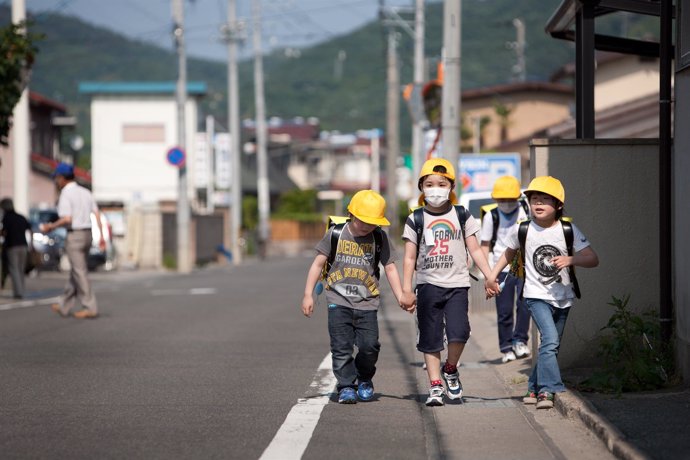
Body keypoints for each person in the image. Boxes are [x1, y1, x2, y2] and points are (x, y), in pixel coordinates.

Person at [487, 176, 599, 409]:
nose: (537, 203)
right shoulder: (523, 229)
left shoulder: (568, 230)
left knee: (552, 344)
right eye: (533, 199)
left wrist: (571, 259)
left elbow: (593, 259)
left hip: (563, 296)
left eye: (544, 199)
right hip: (535, 295)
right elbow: (507, 254)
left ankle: (532, 387)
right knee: (549, 339)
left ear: (558, 205)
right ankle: (549, 390)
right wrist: (491, 276)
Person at [400, 158, 499, 406]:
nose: (436, 188)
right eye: (430, 183)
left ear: (451, 187)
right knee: (430, 337)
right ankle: (435, 386)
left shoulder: (462, 215)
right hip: (427, 285)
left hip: (457, 284)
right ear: (421, 187)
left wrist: (489, 275)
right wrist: (405, 290)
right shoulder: (416, 219)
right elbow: (409, 257)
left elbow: (475, 250)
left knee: (460, 332)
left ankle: (451, 368)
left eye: (441, 184)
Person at [302, 190, 409, 404]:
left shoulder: (379, 236)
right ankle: (346, 386)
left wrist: (400, 295)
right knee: (341, 347)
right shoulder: (336, 234)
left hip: (367, 303)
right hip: (338, 302)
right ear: (351, 214)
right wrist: (308, 295)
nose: (367, 226)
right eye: (363, 221)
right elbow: (318, 264)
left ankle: (365, 378)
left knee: (370, 347)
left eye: (372, 222)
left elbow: (389, 268)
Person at [41, 163, 105, 319]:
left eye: (57, 178)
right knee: (77, 270)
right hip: (88, 234)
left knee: (79, 271)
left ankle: (90, 307)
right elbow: (97, 214)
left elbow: (67, 219)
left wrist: (50, 226)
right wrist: (102, 236)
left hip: (75, 235)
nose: (56, 181)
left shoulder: (66, 194)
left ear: (62, 178)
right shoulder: (86, 192)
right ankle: (64, 305)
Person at [479, 176, 531, 363]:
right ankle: (506, 347)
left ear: (517, 197)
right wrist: (487, 273)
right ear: (495, 199)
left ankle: (520, 340)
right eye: (502, 200)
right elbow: (484, 245)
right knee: (504, 310)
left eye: (510, 199)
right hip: (500, 267)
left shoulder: (526, 210)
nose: (506, 204)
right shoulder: (491, 216)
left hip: (524, 266)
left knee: (525, 305)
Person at [0, 198, 32, 299]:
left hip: (12, 246)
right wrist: (32, 244)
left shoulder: (7, 218)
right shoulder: (21, 217)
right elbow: (30, 229)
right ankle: (21, 290)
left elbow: (3, 232)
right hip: (23, 246)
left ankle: (18, 293)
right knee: (21, 269)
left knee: (14, 269)